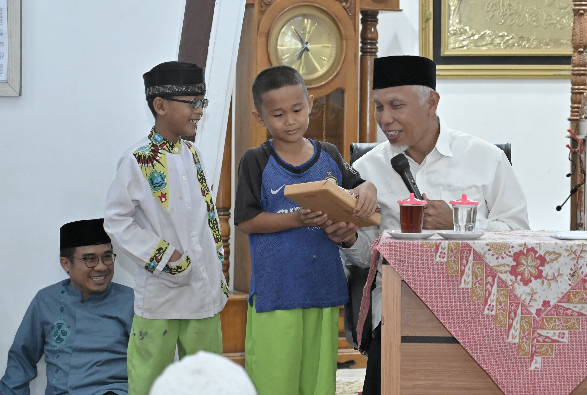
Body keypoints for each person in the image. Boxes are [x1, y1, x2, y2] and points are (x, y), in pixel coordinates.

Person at [325, 55, 530, 394]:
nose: (385, 119)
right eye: (378, 107)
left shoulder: (484, 158)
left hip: (474, 308)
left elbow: (521, 237)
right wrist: (348, 240)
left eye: (396, 106)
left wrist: (461, 223)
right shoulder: (367, 168)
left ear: (431, 102)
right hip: (396, 308)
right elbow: (368, 260)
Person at [233, 65, 378, 395]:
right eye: (278, 114)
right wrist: (297, 219)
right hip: (277, 292)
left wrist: (368, 188)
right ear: (260, 118)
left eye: (297, 110)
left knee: (318, 381)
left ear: (310, 104)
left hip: (323, 289)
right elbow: (246, 221)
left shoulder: (329, 155)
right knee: (275, 379)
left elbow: (357, 188)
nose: (290, 121)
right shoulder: (256, 161)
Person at [104, 61, 229, 395]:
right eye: (192, 103)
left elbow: (206, 217)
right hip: (162, 290)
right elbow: (116, 221)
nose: (200, 111)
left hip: (202, 289)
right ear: (160, 105)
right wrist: (164, 255)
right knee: (149, 377)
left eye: (203, 102)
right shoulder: (137, 159)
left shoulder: (193, 153)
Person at [1, 218, 134, 395]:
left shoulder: (131, 301)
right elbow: (21, 360)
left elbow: (153, 362)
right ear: (66, 264)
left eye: (107, 257)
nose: (101, 267)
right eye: (90, 259)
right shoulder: (47, 300)